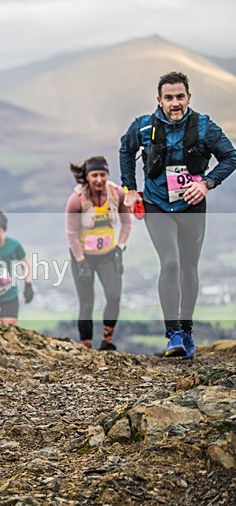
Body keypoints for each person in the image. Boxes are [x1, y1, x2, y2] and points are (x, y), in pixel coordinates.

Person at [120, 71, 235, 359]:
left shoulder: (205, 126)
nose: (175, 103)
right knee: (169, 263)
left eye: (179, 97)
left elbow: (231, 156)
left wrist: (206, 184)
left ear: (188, 98)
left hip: (191, 206)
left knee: (188, 269)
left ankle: (186, 329)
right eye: (169, 97)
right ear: (159, 100)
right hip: (157, 204)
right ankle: (172, 334)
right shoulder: (144, 126)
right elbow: (126, 149)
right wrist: (130, 190)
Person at [65, 156, 132, 350]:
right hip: (83, 255)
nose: (99, 179)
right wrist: (81, 262)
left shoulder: (117, 193)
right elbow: (71, 234)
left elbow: (127, 223)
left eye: (103, 174)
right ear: (87, 177)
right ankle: (86, 346)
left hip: (108, 254)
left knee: (114, 296)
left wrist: (120, 247)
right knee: (87, 303)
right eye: (95, 175)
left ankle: (107, 341)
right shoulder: (76, 200)